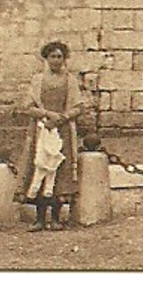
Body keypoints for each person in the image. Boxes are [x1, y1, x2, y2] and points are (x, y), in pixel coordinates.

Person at [17, 40, 87, 231]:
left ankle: (55, 218)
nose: (56, 60)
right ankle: (39, 218)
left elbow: (79, 106)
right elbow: (28, 106)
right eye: (52, 57)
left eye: (59, 57)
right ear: (46, 59)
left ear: (64, 59)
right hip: (41, 128)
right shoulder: (37, 80)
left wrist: (63, 117)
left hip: (62, 130)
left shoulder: (70, 81)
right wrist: (47, 115)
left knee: (59, 169)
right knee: (40, 166)